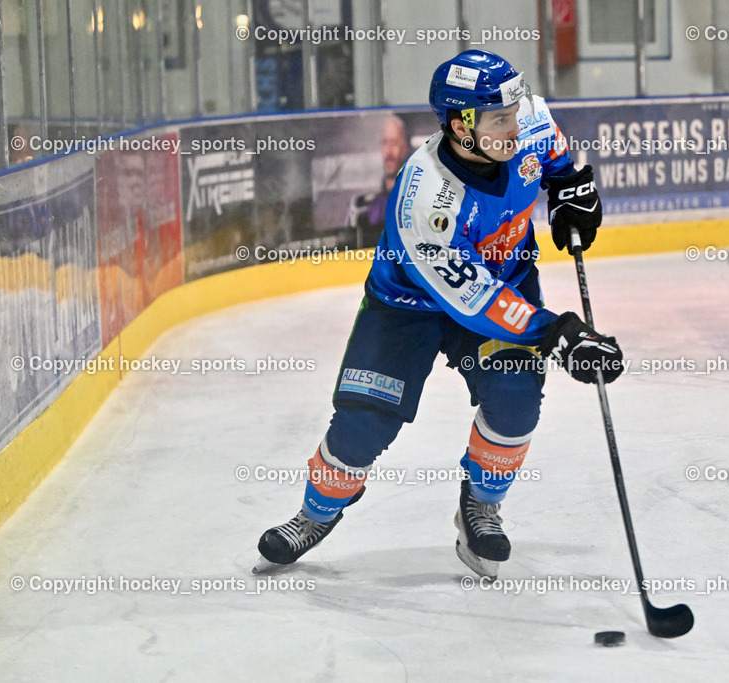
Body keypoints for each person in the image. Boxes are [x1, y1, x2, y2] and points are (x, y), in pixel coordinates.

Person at [256, 49, 623, 579]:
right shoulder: (425, 197)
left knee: (516, 400)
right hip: (409, 305)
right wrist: (556, 333)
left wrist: (570, 188)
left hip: (505, 281)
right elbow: (472, 301)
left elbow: (556, 159)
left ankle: (479, 505)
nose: (516, 126)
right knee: (363, 424)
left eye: (514, 112)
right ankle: (316, 513)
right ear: (460, 126)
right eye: (500, 120)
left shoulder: (530, 122)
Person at [346, 115, 410, 248]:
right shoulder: (363, 204)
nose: (389, 151)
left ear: (404, 149)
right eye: (385, 143)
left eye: (394, 143)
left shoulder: (413, 197)